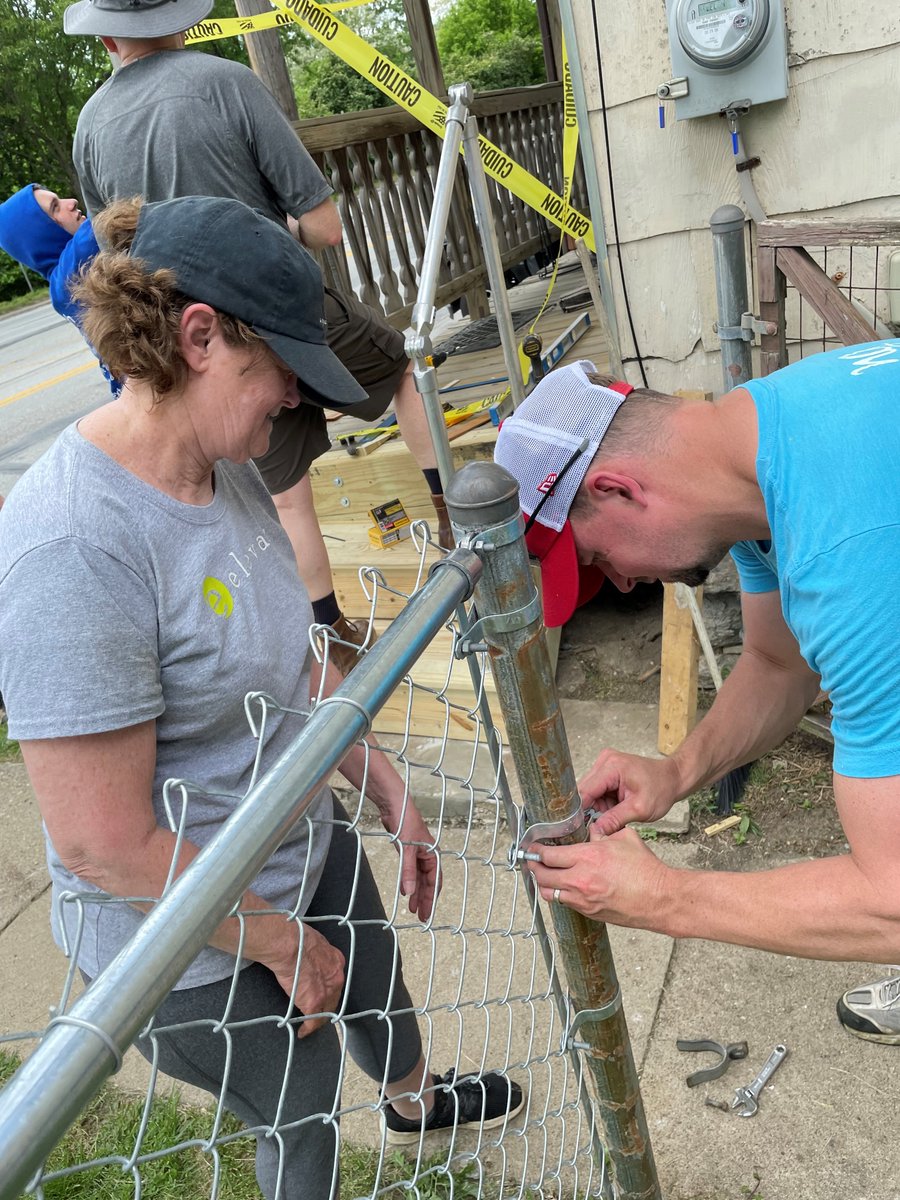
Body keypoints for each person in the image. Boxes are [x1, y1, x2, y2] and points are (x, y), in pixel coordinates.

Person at [0, 195, 523, 1198]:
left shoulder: (223, 467)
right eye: (277, 365)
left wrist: (382, 788)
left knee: (379, 989)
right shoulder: (75, 543)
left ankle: (414, 1101)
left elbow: (295, 663)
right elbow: (98, 842)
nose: (293, 396)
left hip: (298, 836)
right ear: (200, 337)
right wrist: (282, 943)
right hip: (191, 939)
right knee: (304, 1109)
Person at [493, 354, 900, 1045]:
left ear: (618, 488)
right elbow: (779, 666)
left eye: (595, 559)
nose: (621, 585)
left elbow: (891, 902)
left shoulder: (848, 558)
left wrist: (665, 899)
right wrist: (675, 774)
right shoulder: (758, 449)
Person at [63, 0, 455, 676]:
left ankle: (327, 631)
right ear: (181, 17)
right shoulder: (227, 82)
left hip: (187, 344)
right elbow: (324, 225)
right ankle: (453, 519)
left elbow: (113, 242)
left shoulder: (91, 126)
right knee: (400, 369)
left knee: (282, 489)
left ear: (103, 37)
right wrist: (276, 233)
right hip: (280, 309)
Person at [0, 183, 118, 394]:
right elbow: (114, 198)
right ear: (39, 233)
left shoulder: (59, 282)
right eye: (55, 207)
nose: (71, 202)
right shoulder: (72, 267)